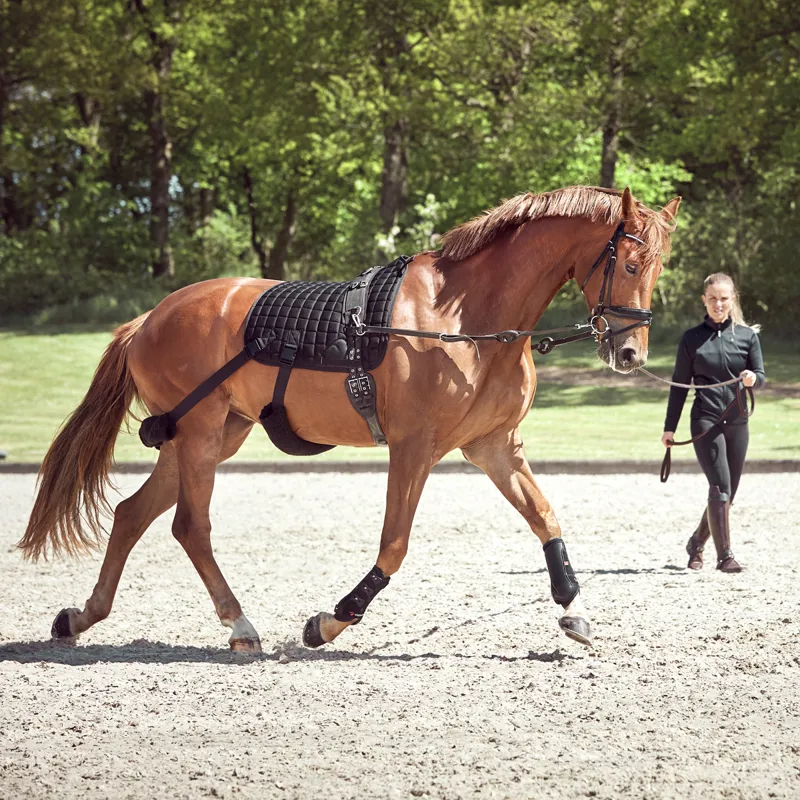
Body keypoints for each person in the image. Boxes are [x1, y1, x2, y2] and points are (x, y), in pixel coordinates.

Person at [661, 272, 766, 573]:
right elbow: (679, 386)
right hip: (705, 420)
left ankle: (696, 542)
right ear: (703, 300)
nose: (718, 304)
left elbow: (761, 376)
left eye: (723, 298)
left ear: (732, 300)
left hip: (738, 421)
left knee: (728, 493)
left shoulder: (747, 337)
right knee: (719, 486)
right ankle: (725, 557)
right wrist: (670, 427)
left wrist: (753, 378)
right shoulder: (691, 339)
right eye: (712, 299)